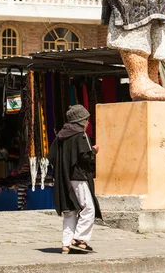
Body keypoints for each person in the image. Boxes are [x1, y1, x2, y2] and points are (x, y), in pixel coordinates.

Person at [48, 105, 102, 254]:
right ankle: (80, 238)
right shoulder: (81, 135)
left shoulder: (60, 136)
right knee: (88, 208)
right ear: (81, 120)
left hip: (64, 178)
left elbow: (51, 157)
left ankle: (66, 244)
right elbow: (85, 157)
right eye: (87, 119)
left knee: (70, 210)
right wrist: (94, 151)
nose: (88, 123)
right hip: (79, 177)